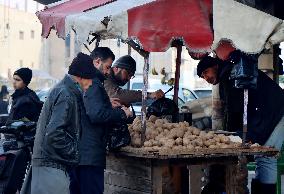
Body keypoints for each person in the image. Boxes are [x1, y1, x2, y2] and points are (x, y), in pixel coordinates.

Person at [197, 53, 284, 194]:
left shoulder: (230, 74)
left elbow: (234, 110)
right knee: (262, 157)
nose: (206, 78)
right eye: (202, 76)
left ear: (215, 66)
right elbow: (233, 110)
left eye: (206, 72)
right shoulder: (229, 72)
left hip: (277, 112)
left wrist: (229, 138)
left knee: (266, 157)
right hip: (269, 113)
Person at [31, 53, 97, 194]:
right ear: (80, 77)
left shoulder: (63, 90)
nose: (91, 84)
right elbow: (54, 135)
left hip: (48, 164)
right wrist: (76, 153)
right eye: (90, 79)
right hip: (51, 167)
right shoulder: (66, 95)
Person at [69, 49, 132, 194]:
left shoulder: (86, 83)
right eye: (107, 67)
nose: (108, 72)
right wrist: (122, 113)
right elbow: (96, 115)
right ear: (97, 62)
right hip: (89, 155)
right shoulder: (94, 83)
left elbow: (89, 108)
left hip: (80, 153)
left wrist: (106, 103)